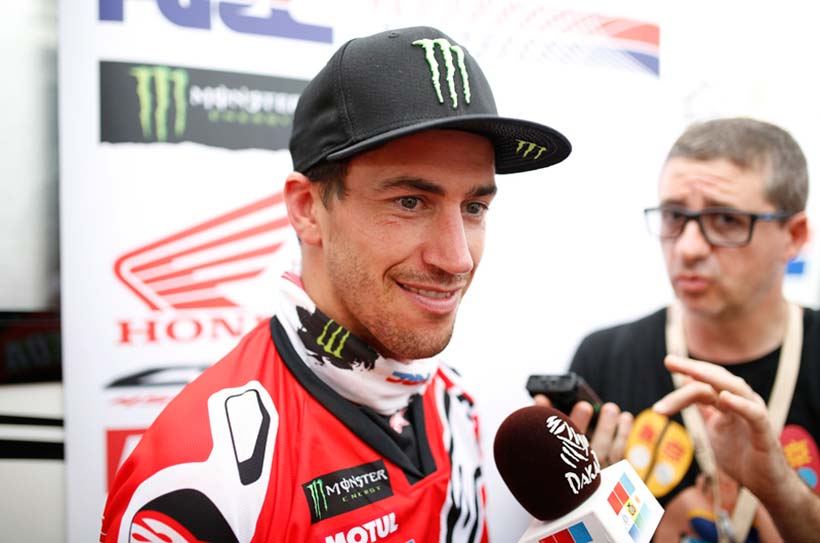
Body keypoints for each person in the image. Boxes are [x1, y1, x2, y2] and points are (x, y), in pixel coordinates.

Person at [99, 26, 571, 543]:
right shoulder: (203, 476)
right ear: (307, 209)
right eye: (410, 202)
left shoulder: (454, 403)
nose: (457, 258)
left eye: (474, 207)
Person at [567, 117, 818, 542]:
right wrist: (588, 511)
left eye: (726, 220)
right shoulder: (605, 357)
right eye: (674, 216)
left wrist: (780, 489)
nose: (688, 247)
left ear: (793, 236)